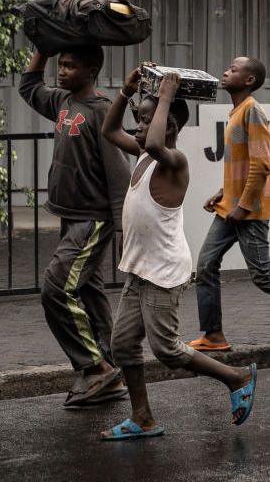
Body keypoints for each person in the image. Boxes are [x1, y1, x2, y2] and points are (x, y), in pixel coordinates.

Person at [99, 68, 256, 440]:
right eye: (137, 118)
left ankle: (237, 377)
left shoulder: (174, 160)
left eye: (145, 119)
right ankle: (143, 418)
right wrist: (125, 90)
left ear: (169, 125)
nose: (138, 126)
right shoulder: (143, 153)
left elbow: (155, 144)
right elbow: (108, 131)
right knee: (122, 345)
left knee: (166, 349)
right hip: (139, 269)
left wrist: (167, 94)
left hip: (163, 272)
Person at [19, 47, 131, 406]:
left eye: (70, 65)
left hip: (93, 218)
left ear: (92, 70)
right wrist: (42, 51)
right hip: (70, 215)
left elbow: (118, 172)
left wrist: (123, 226)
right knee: (89, 289)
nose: (62, 71)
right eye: (61, 64)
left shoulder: (102, 111)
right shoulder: (63, 102)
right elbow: (28, 86)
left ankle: (95, 368)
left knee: (56, 288)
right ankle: (110, 366)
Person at [189, 57, 270, 352]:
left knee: (263, 276)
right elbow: (245, 164)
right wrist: (223, 193)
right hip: (231, 208)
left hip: (250, 212)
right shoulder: (236, 112)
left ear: (249, 80)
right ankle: (213, 335)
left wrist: (244, 205)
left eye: (234, 70)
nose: (226, 72)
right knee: (206, 265)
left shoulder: (253, 112)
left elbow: (262, 165)